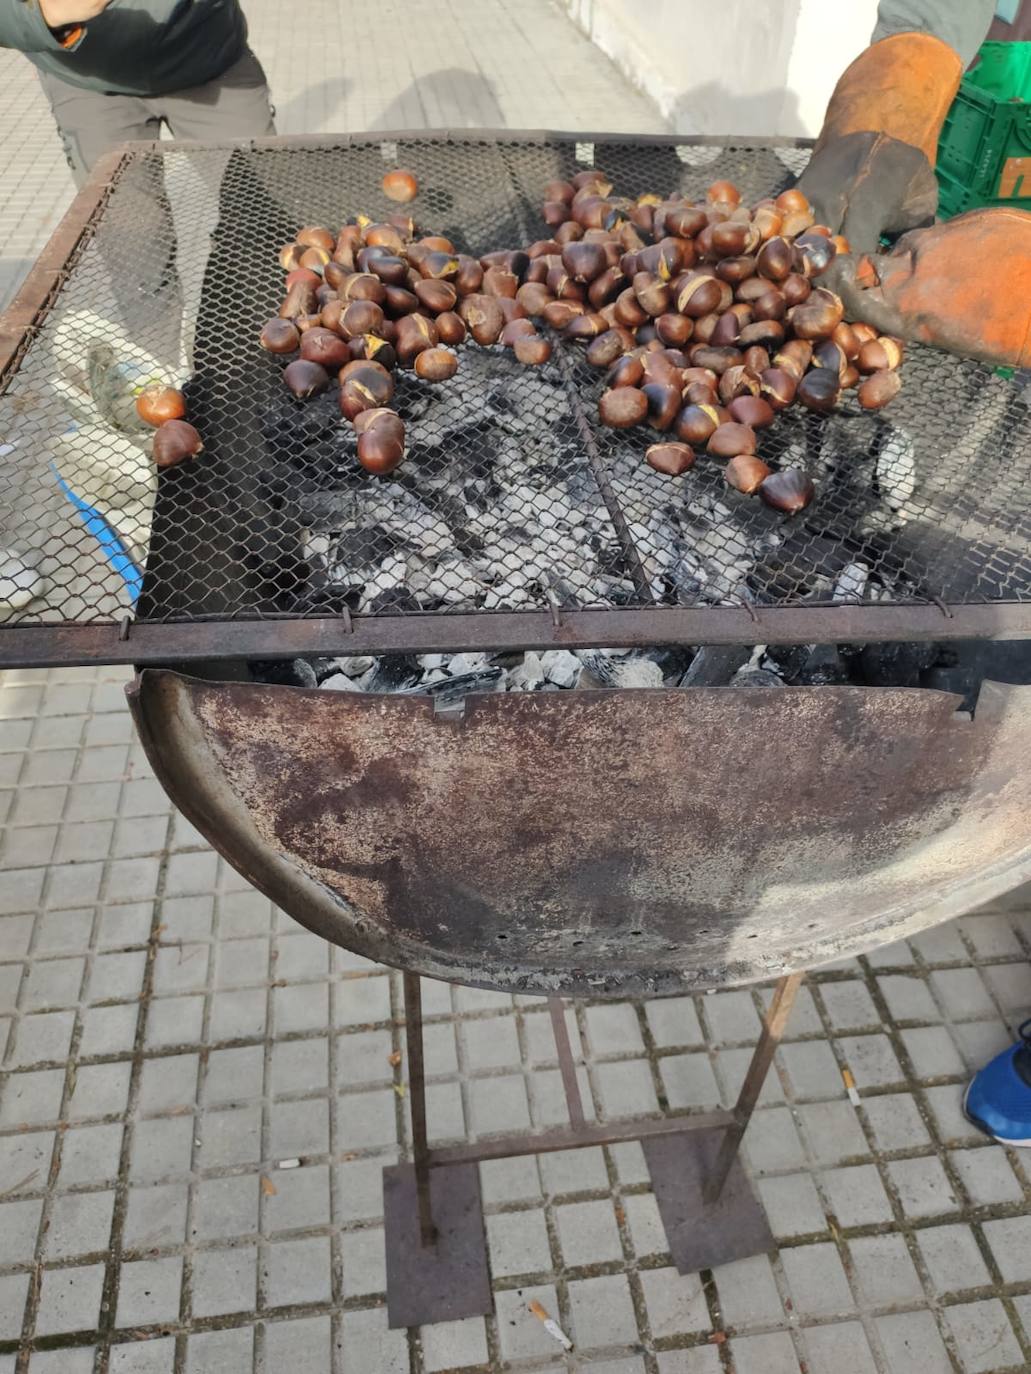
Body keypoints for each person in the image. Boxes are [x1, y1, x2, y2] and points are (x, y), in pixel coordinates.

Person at [0, 0, 274, 185]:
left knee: (260, 216)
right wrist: (42, 15)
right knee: (132, 240)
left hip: (209, 59)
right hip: (87, 82)